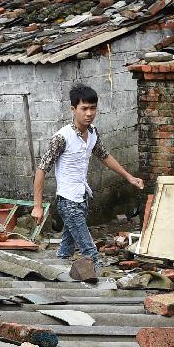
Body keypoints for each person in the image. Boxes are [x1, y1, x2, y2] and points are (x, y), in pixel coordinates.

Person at [31, 85, 144, 272]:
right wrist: (37, 205)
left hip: (82, 197)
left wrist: (129, 177)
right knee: (90, 250)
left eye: (93, 108)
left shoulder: (92, 132)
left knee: (66, 247)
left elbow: (104, 156)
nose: (89, 113)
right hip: (68, 202)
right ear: (73, 109)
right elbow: (42, 169)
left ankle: (57, 273)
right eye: (84, 108)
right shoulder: (61, 138)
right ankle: (102, 285)